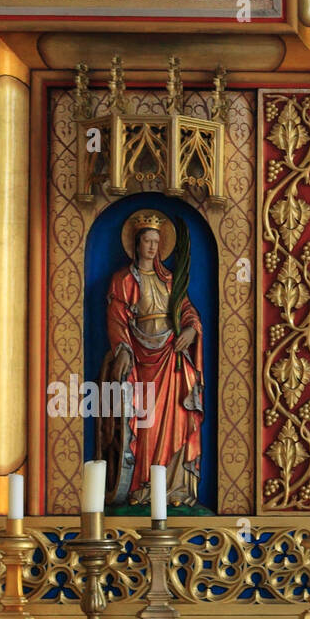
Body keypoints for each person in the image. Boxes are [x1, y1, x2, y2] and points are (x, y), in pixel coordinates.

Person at [100, 210, 203, 508]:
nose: (153, 247)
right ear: (136, 244)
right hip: (142, 361)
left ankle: (174, 488)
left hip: (171, 356)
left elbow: (188, 310)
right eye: (147, 241)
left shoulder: (168, 280)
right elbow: (116, 319)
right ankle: (143, 485)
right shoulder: (123, 280)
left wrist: (190, 330)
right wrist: (124, 350)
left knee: (177, 418)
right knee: (147, 422)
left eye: (157, 242)